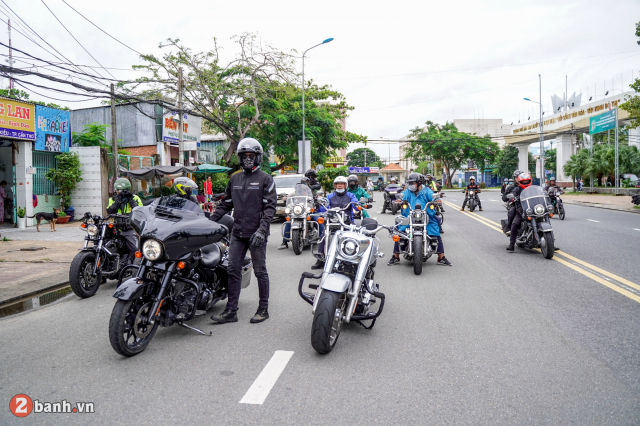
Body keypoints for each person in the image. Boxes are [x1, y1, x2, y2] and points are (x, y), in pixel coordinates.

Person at [209, 138, 276, 324]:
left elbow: (270, 209)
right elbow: (225, 205)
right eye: (244, 156)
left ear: (257, 157)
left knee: (260, 271)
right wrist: (208, 222)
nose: (247, 159)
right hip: (237, 233)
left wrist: (262, 231)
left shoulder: (265, 179)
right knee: (232, 270)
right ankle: (231, 311)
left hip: (257, 234)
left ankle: (263, 309)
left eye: (251, 155)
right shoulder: (235, 178)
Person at [387, 173, 450, 266]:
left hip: (426, 218)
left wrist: (436, 200)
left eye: (413, 183)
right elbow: (403, 196)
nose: (411, 185)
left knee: (435, 231)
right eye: (410, 183)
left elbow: (432, 196)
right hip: (410, 217)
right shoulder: (408, 191)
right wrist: (399, 200)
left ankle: (441, 257)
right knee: (400, 232)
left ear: (419, 183)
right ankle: (395, 256)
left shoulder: (426, 191)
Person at [311, 176, 359, 270]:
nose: (339, 185)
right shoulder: (330, 196)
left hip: (347, 221)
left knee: (354, 235)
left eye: (342, 184)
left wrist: (358, 205)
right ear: (335, 185)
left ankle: (353, 258)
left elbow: (356, 204)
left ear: (345, 185)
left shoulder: (350, 195)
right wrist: (318, 206)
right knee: (324, 235)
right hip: (333, 220)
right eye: (337, 184)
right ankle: (321, 259)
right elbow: (324, 206)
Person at [106, 178, 143, 263]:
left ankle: (135, 267)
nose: (119, 192)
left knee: (135, 250)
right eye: (117, 190)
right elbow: (109, 211)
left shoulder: (135, 198)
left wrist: (131, 201)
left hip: (130, 230)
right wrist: (118, 201)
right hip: (117, 230)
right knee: (109, 247)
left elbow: (140, 211)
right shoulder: (113, 199)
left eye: (121, 190)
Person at [506, 172, 532, 252]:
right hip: (521, 210)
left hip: (533, 209)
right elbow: (512, 196)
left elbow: (540, 194)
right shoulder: (516, 189)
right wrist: (513, 198)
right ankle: (511, 245)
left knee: (544, 218)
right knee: (515, 224)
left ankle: (551, 243)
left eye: (526, 181)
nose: (525, 183)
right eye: (523, 181)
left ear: (529, 181)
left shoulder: (533, 188)